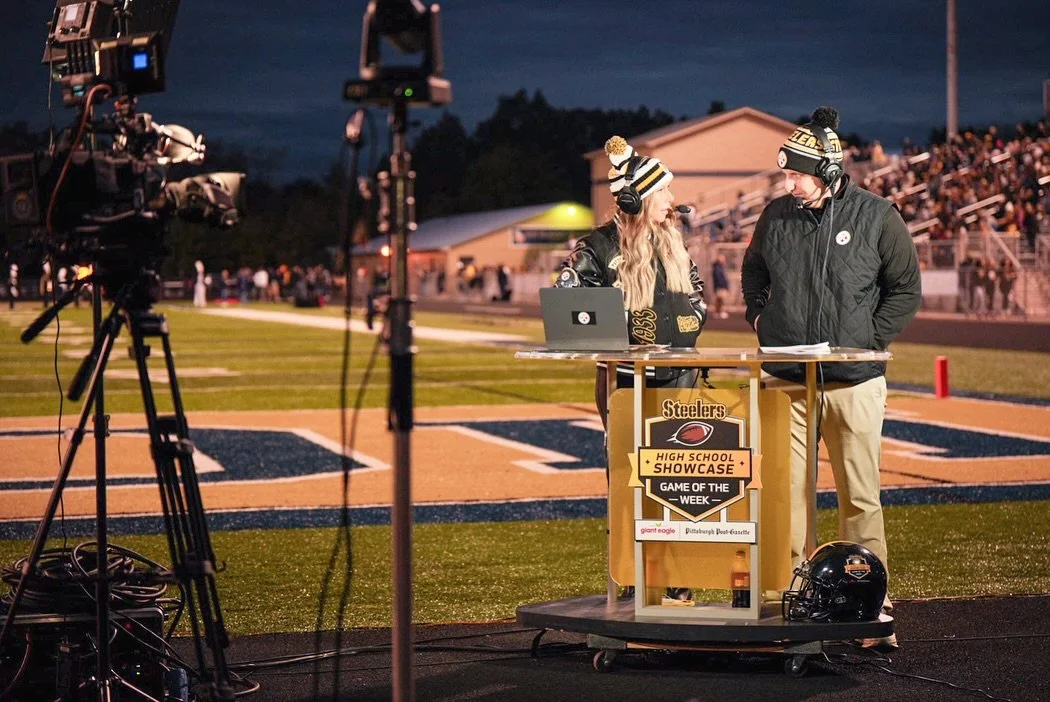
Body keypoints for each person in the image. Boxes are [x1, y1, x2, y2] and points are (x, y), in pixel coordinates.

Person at [741, 106, 921, 649]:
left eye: (797, 174)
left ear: (830, 171)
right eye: (787, 175)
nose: (789, 184)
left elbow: (905, 290)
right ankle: (795, 600)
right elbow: (754, 272)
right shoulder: (775, 215)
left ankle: (872, 604)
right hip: (788, 379)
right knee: (788, 495)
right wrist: (761, 318)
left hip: (854, 380)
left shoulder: (877, 216)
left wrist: (868, 340)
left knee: (860, 497)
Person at [556, 135, 708, 603]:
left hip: (680, 381)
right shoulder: (597, 248)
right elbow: (567, 310)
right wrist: (632, 330)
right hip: (625, 386)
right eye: (662, 191)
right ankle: (631, 578)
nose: (671, 199)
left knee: (679, 485)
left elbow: (697, 302)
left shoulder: (675, 243)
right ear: (634, 197)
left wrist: (678, 326)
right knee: (628, 483)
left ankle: (677, 581)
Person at [711, 254, 730, 319]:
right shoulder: (717, 268)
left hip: (719, 286)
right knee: (720, 300)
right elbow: (719, 278)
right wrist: (723, 286)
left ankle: (718, 312)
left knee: (719, 300)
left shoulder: (719, 267)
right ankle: (719, 312)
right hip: (720, 286)